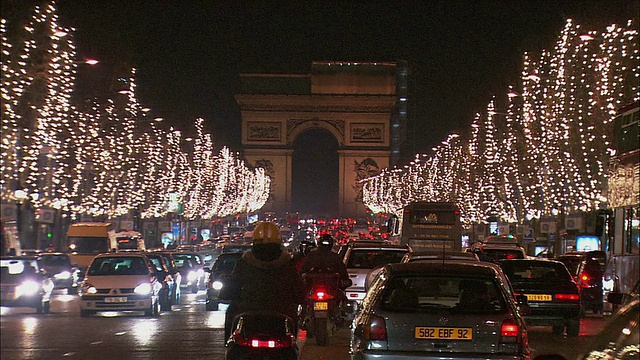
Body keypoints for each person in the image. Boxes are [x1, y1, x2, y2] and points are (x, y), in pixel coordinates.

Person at [219, 221, 304, 341]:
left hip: (247, 310)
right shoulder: (287, 263)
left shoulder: (245, 262)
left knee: (231, 317)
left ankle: (228, 345)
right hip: (282, 310)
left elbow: (233, 286)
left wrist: (225, 292)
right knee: (292, 333)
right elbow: (298, 291)